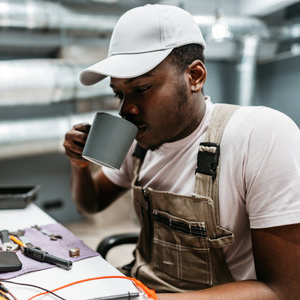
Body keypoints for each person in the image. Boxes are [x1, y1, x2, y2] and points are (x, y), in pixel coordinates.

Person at [63, 4, 300, 300]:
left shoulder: (259, 135)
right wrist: (79, 166)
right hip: (142, 288)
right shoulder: (138, 140)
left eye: (142, 88)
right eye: (119, 94)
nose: (126, 110)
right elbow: (92, 203)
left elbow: (285, 290)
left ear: (195, 76)